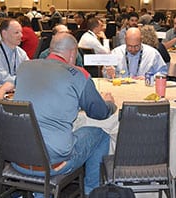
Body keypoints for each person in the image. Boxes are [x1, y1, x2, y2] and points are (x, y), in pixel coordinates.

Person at [13, 32, 117, 197]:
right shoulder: (78, 74)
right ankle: (92, 192)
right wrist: (109, 103)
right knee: (101, 132)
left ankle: (39, 193)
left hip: (16, 156)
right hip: (54, 163)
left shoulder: (24, 67)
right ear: (72, 53)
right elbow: (99, 113)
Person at [0, 18, 29, 89]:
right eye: (16, 32)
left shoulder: (21, 52)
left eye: (21, 32)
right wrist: (26, 81)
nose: (21, 35)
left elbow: (30, 73)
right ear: (4, 34)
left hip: (16, 91)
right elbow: (4, 79)